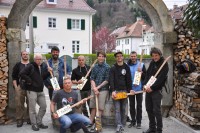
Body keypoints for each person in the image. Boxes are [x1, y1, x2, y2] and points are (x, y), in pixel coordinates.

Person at [19, 53, 51, 131]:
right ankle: (34, 124)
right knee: (32, 109)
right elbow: (21, 74)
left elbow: (42, 77)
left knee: (43, 107)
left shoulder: (41, 67)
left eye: (40, 59)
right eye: (37, 59)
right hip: (32, 90)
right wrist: (29, 81)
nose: (39, 61)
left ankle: (39, 122)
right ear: (34, 59)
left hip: (40, 91)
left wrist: (48, 72)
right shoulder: (30, 66)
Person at [143, 47, 169, 133]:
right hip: (148, 89)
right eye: (153, 56)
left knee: (156, 110)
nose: (155, 57)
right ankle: (152, 128)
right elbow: (147, 75)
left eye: (156, 55)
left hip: (156, 91)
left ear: (160, 54)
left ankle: (159, 130)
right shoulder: (152, 63)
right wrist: (145, 85)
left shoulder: (164, 64)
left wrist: (152, 88)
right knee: (148, 109)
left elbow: (161, 79)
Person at [109, 51, 133, 133]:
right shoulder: (113, 68)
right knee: (117, 109)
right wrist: (112, 91)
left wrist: (129, 90)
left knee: (123, 109)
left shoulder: (126, 67)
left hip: (124, 91)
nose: (119, 57)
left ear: (123, 57)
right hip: (116, 92)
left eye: (120, 56)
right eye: (117, 56)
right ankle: (118, 125)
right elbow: (111, 80)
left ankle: (122, 124)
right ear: (116, 58)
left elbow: (129, 80)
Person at [89, 51, 110, 128]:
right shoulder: (95, 67)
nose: (101, 58)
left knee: (100, 108)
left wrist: (98, 88)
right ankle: (90, 121)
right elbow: (92, 78)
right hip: (94, 89)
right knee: (93, 106)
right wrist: (94, 88)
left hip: (103, 89)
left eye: (102, 56)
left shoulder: (107, 67)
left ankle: (97, 123)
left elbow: (107, 80)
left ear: (104, 58)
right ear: (97, 57)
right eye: (99, 56)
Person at [127, 51, 146, 129]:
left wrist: (141, 72)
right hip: (131, 89)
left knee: (139, 106)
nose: (133, 58)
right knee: (131, 106)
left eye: (134, 56)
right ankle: (133, 121)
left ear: (136, 56)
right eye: (131, 56)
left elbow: (146, 76)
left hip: (139, 89)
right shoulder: (127, 66)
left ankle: (139, 122)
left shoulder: (141, 65)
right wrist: (128, 88)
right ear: (130, 56)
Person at [12, 51, 31, 127]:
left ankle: (29, 118)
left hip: (30, 87)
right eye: (24, 54)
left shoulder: (32, 65)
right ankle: (19, 119)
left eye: (26, 54)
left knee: (30, 103)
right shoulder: (18, 65)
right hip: (20, 86)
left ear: (28, 55)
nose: (25, 55)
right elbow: (14, 77)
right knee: (19, 104)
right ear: (21, 56)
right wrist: (16, 87)